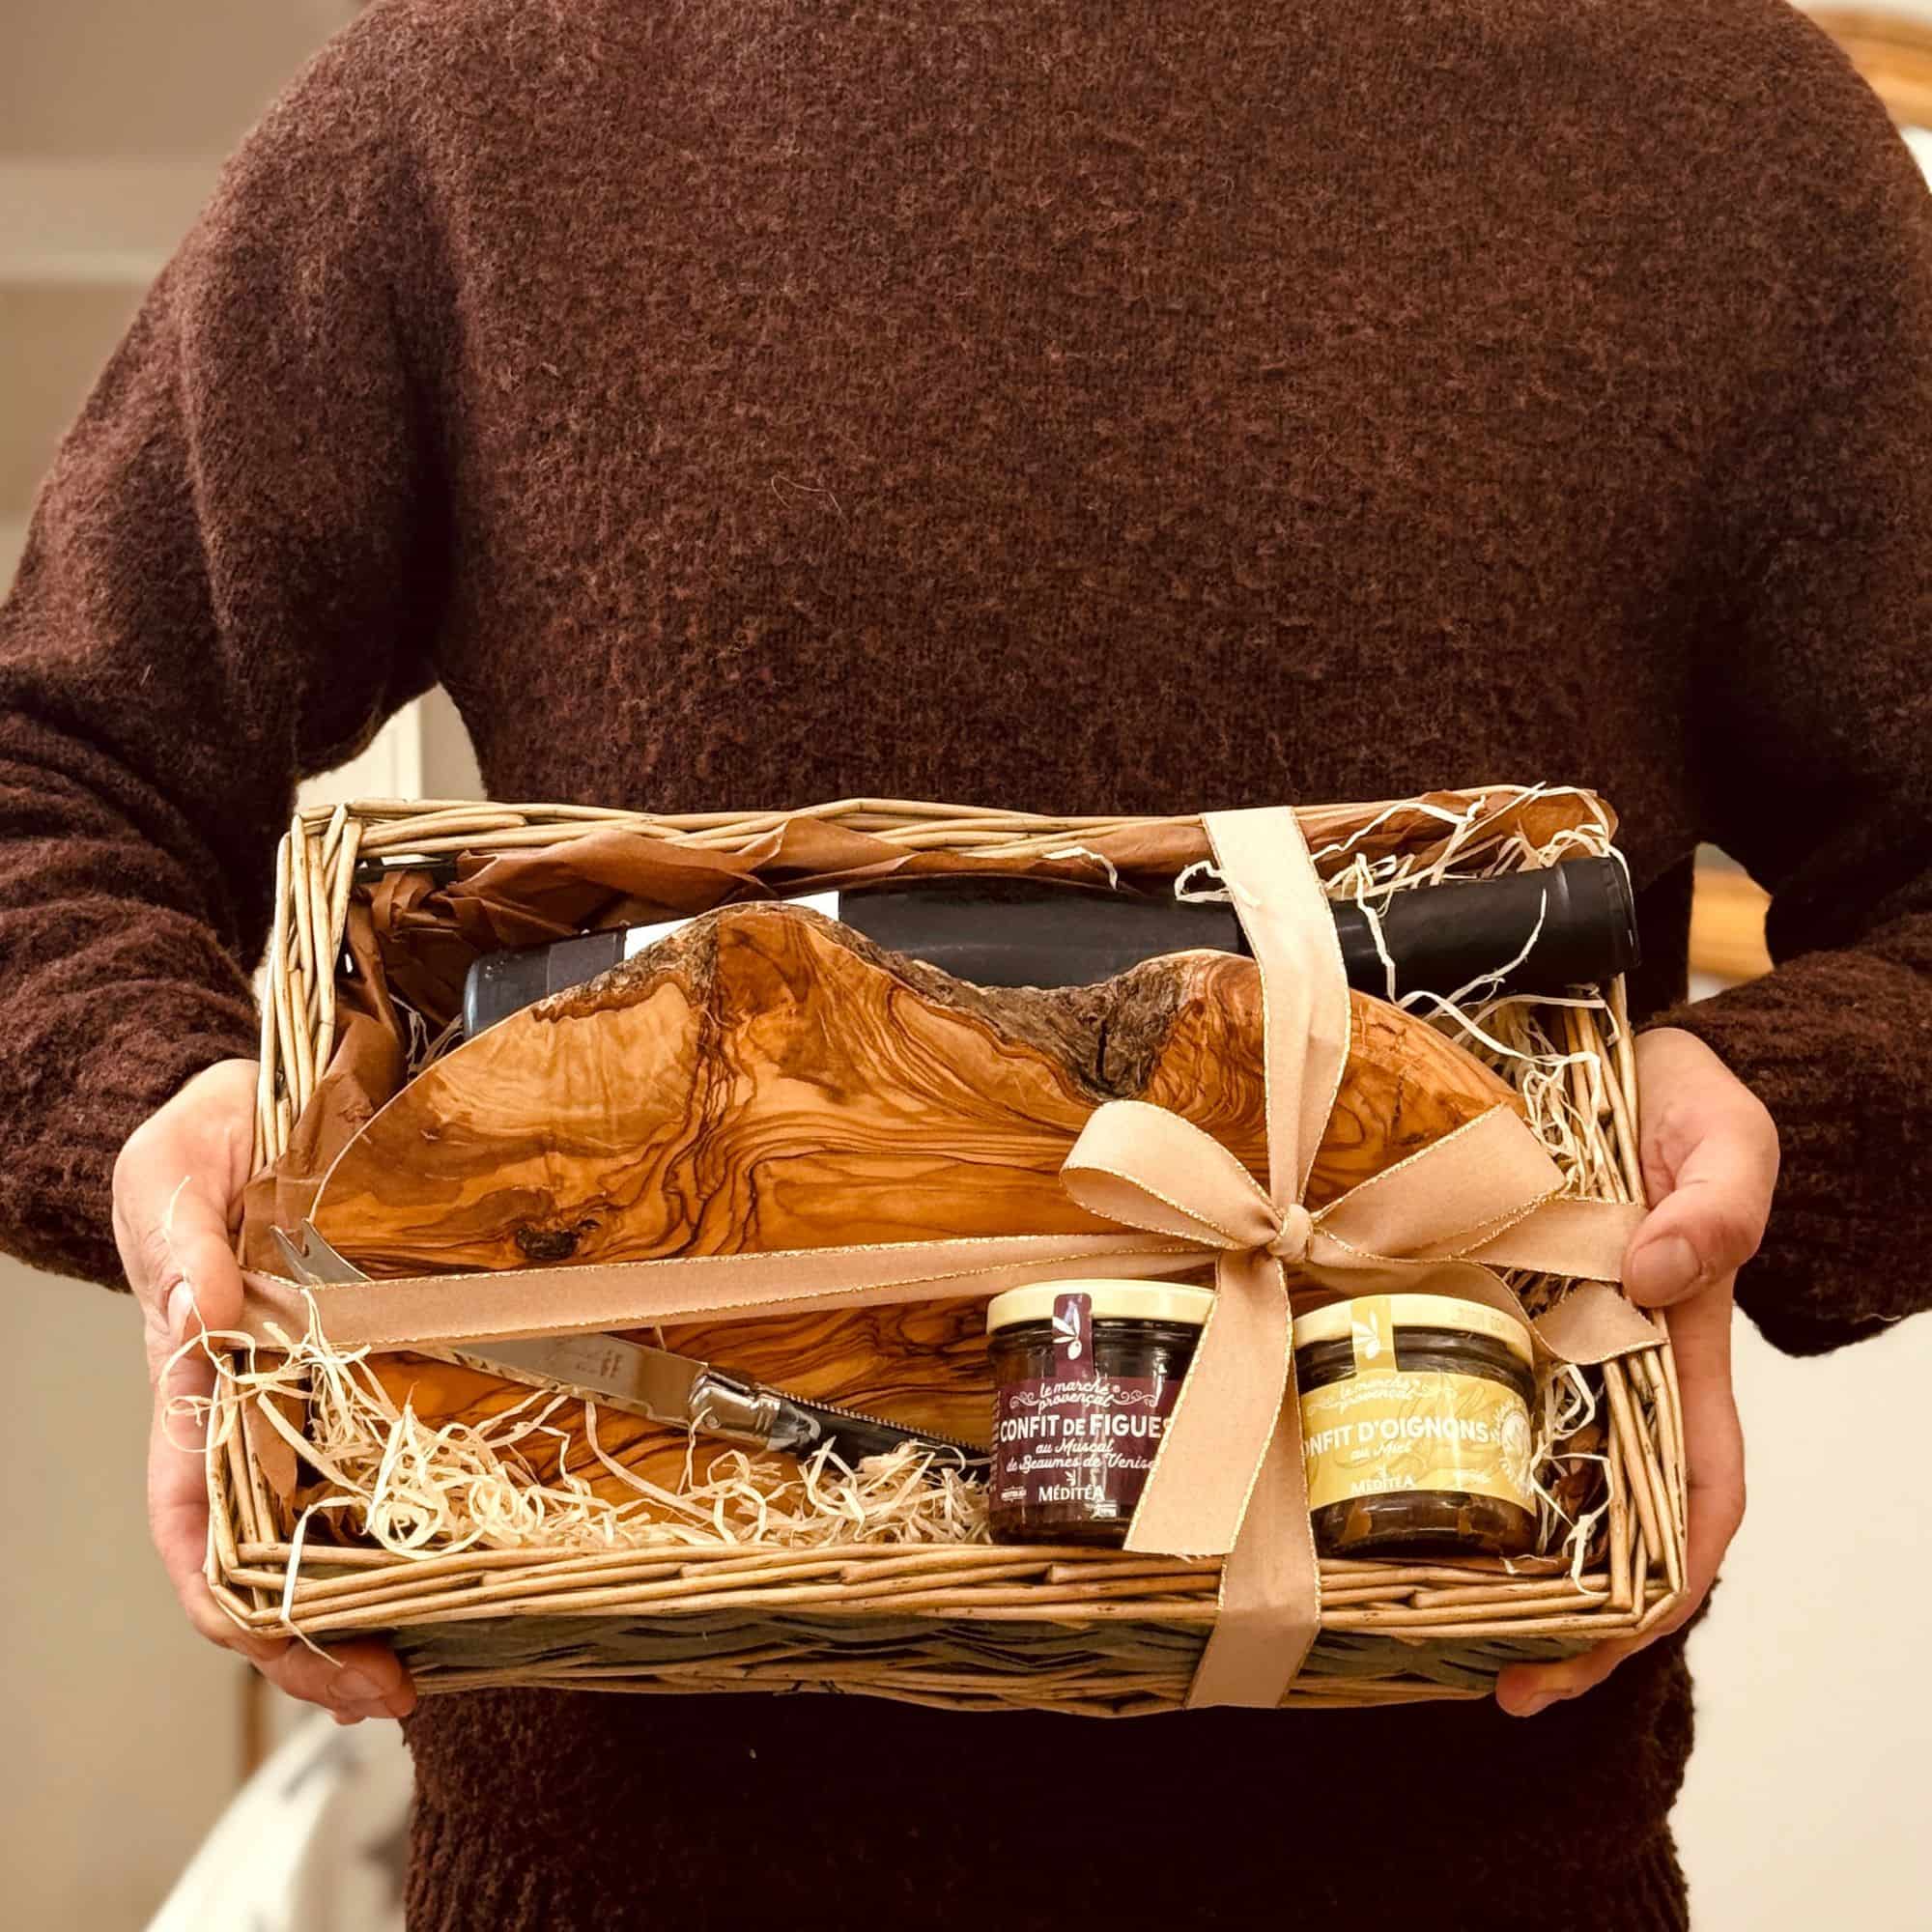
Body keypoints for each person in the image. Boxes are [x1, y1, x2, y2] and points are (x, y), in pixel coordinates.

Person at [1, 0, 1925, 1924]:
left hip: (1482, 1857)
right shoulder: (475, 101)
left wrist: (1773, 1114)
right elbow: (51, 779)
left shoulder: (1719, 130)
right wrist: (165, 1106)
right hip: (616, 1870)